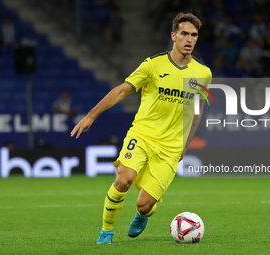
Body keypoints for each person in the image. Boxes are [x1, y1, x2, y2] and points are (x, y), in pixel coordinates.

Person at [71, 12, 212, 244]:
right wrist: (91, 115)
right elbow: (121, 91)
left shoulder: (203, 73)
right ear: (173, 36)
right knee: (123, 180)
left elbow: (197, 112)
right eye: (184, 33)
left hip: (171, 147)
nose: (189, 39)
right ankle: (106, 232)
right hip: (143, 134)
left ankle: (143, 214)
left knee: (144, 204)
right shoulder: (153, 64)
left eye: (194, 35)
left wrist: (185, 146)